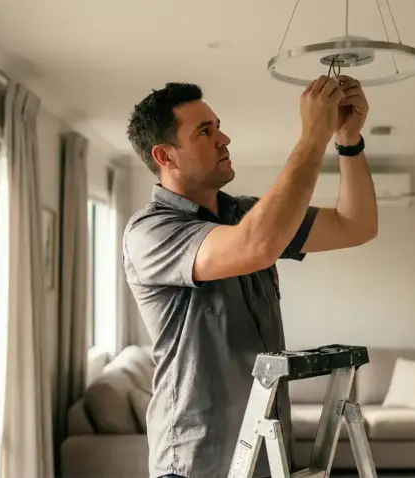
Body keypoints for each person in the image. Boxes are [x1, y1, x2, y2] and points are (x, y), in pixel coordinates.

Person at [123, 74, 379, 478]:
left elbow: (356, 225)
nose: (224, 139)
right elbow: (255, 245)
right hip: (195, 464)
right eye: (205, 132)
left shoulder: (244, 213)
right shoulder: (151, 231)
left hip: (265, 455)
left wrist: (347, 141)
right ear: (165, 156)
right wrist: (313, 135)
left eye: (218, 127)